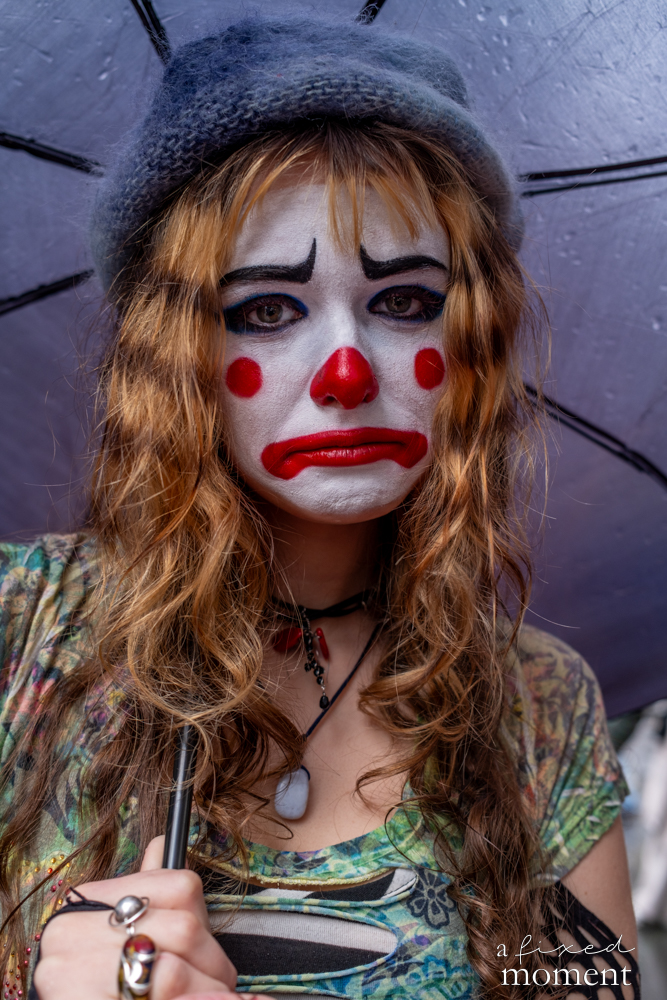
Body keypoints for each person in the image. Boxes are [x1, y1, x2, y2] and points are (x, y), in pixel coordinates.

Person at [0, 13, 638, 1000]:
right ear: (179, 360)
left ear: (468, 343)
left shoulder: (537, 708)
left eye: (404, 302)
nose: (345, 374)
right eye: (265, 309)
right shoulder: (17, 629)